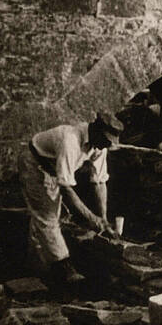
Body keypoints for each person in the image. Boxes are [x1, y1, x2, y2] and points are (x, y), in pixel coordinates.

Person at [20, 111, 124, 289]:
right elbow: (66, 188)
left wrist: (103, 218)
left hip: (54, 169)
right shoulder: (70, 141)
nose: (106, 146)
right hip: (36, 165)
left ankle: (37, 268)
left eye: (110, 143)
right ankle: (64, 270)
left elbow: (99, 182)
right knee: (48, 217)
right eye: (106, 141)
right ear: (96, 131)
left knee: (45, 218)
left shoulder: (99, 146)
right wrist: (92, 218)